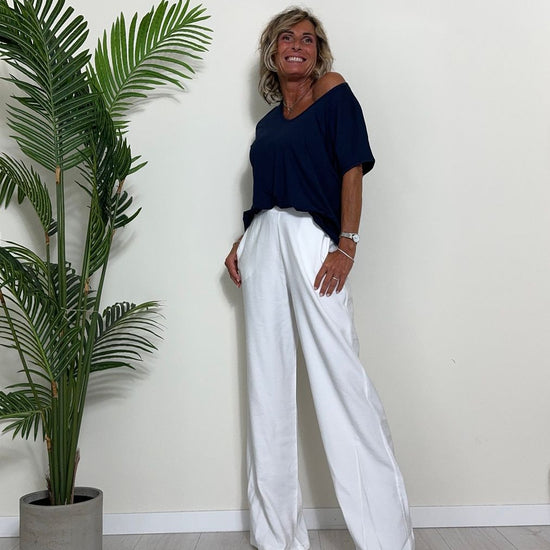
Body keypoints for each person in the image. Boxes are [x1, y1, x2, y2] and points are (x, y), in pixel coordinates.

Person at [225, 7, 414, 550]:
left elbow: (351, 167)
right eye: (286, 37)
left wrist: (347, 244)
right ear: (272, 52)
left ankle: (387, 539)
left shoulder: (333, 91)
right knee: (267, 385)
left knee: (340, 378)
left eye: (307, 39)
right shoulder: (267, 125)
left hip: (314, 242)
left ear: (318, 53)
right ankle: (276, 537)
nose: (297, 45)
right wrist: (243, 242)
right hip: (264, 241)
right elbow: (269, 194)